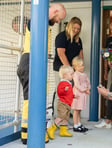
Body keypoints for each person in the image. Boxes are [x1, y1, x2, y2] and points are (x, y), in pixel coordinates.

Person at [17, 3, 66, 144]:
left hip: (34, 61)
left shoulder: (42, 23)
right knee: (31, 99)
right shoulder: (37, 20)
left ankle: (32, 132)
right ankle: (27, 135)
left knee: (35, 98)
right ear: (55, 11)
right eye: (58, 18)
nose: (58, 21)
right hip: (31, 61)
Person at [53, 16, 83, 117]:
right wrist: (70, 70)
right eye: (74, 28)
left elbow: (80, 55)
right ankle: (58, 117)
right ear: (70, 26)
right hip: (62, 70)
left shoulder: (78, 40)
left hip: (73, 72)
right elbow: (61, 54)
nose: (76, 30)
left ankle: (66, 116)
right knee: (61, 93)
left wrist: (79, 68)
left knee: (70, 93)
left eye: (78, 29)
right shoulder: (61, 37)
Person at [47, 65, 74, 139]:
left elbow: (69, 93)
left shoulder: (68, 83)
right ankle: (51, 129)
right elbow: (59, 92)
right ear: (65, 75)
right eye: (71, 74)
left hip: (67, 103)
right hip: (62, 103)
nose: (72, 76)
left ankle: (63, 130)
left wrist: (73, 96)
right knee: (61, 117)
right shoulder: (62, 83)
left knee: (66, 118)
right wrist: (64, 90)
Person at [71, 56, 91, 132]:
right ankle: (75, 125)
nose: (82, 67)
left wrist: (88, 88)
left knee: (79, 109)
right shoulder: (75, 74)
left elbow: (87, 81)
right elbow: (77, 85)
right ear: (75, 67)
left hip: (83, 94)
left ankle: (79, 123)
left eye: (82, 65)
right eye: (79, 66)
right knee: (76, 110)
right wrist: (84, 90)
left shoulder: (84, 74)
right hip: (78, 94)